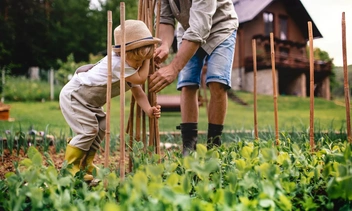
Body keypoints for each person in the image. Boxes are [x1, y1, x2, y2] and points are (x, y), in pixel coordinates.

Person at [59, 20, 162, 182]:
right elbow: (141, 79)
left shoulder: (129, 65)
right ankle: (70, 167)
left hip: (90, 102)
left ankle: (86, 164)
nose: (140, 65)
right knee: (88, 130)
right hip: (76, 96)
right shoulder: (117, 63)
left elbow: (138, 91)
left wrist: (148, 109)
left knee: (101, 126)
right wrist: (148, 59)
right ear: (123, 54)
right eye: (137, 61)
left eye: (142, 62)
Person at [149, 0, 238, 155]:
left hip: (220, 26)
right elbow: (165, 19)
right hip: (189, 29)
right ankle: (189, 147)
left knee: (217, 82)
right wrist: (164, 45)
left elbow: (200, 27)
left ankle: (213, 146)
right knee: (187, 83)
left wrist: (174, 68)